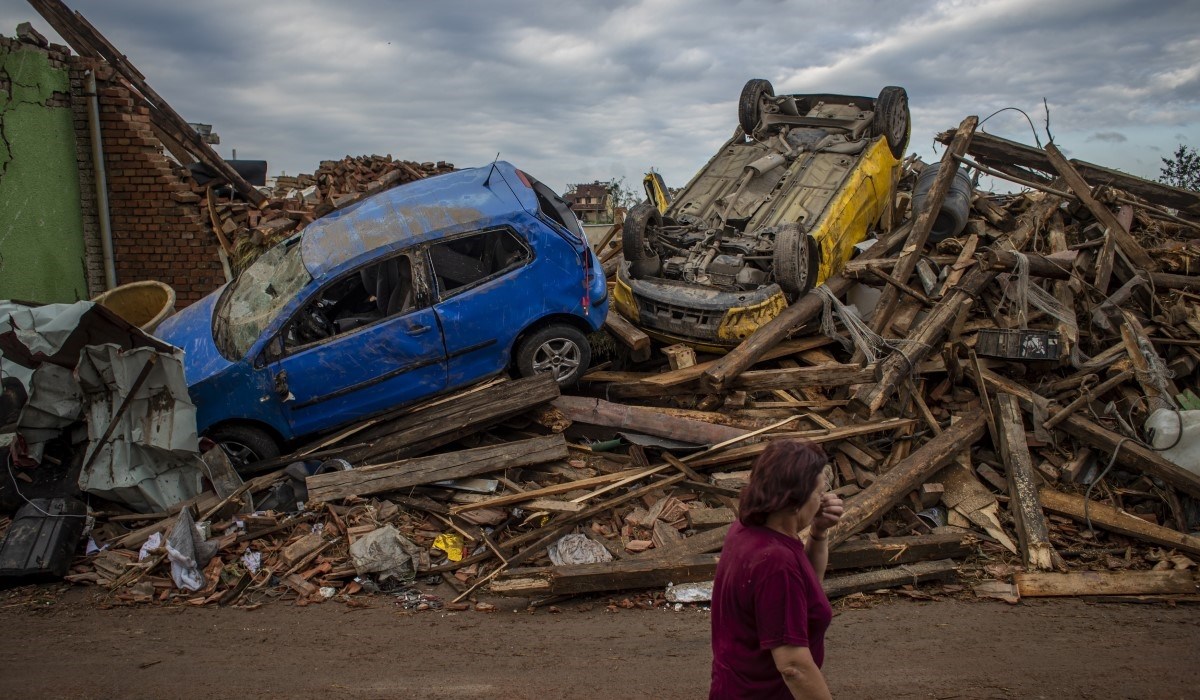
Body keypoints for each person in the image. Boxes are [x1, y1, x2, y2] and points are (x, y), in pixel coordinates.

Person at [710, 439, 845, 699]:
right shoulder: (776, 562)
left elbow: (806, 591)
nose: (823, 500)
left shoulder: (746, 530)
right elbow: (794, 666)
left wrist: (818, 533)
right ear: (795, 501)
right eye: (819, 493)